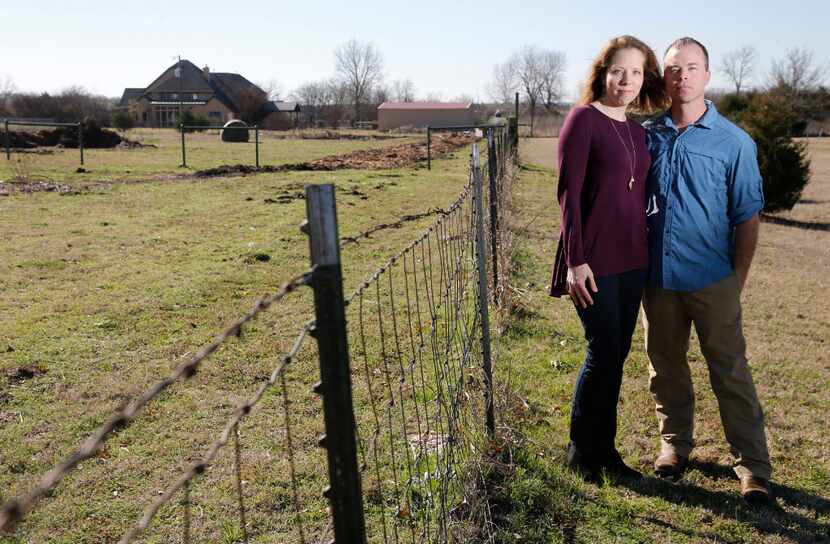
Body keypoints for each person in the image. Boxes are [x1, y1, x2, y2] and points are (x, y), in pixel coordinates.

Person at [643, 37, 773, 502]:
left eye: (692, 68)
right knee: (665, 367)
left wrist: (736, 280)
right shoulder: (646, 136)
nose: (683, 77)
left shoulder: (734, 142)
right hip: (657, 280)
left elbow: (747, 216)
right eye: (675, 69)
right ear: (665, 76)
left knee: (730, 372)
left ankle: (753, 467)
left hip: (713, 279)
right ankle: (674, 446)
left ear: (707, 75)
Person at [549, 35, 667, 480]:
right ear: (602, 72)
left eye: (636, 72)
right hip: (592, 259)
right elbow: (569, 195)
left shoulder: (638, 130)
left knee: (617, 354)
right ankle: (582, 450)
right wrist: (575, 259)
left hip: (632, 258)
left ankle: (607, 452)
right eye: (619, 70)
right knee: (602, 349)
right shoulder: (582, 121)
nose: (626, 80)